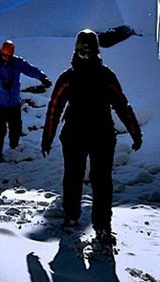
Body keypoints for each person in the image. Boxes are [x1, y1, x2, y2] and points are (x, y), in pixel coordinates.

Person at [41, 29, 142, 252]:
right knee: (73, 177)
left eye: (87, 51)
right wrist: (47, 138)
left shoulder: (106, 77)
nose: (83, 55)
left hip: (101, 135)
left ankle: (102, 225)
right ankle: (71, 216)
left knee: (102, 181)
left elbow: (122, 106)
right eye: (80, 51)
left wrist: (135, 133)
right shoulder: (68, 78)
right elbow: (54, 109)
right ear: (75, 51)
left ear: (96, 51)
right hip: (75, 135)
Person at [0, 40, 51, 163]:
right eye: (4, 55)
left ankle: (14, 147)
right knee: (0, 130)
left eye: (9, 56)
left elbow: (30, 69)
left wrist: (42, 77)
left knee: (16, 127)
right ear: (1, 53)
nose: (6, 58)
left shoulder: (17, 63)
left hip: (14, 103)